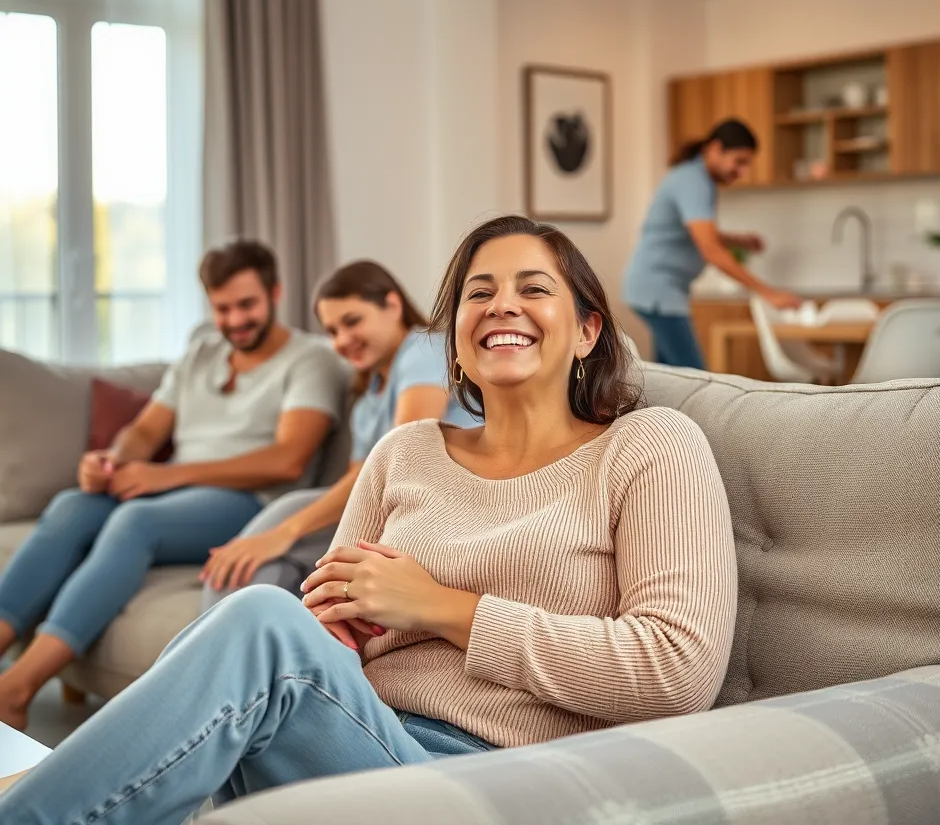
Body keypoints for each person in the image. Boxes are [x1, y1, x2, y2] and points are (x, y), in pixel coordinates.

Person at [0, 215, 738, 825]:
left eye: (533, 289)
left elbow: (676, 669)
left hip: (504, 778)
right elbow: (329, 629)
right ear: (454, 342)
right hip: (354, 738)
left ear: (586, 331)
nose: (501, 305)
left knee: (260, 620)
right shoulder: (405, 453)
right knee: (261, 626)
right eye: (478, 293)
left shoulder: (649, 446)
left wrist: (443, 609)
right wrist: (344, 629)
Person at [0, 240, 347, 731]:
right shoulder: (202, 352)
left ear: (275, 292)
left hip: (249, 501)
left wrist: (168, 475)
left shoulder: (311, 360)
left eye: (247, 305)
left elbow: (288, 459)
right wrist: (112, 461)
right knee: (73, 505)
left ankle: (16, 688)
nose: (235, 320)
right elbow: (146, 431)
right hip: (177, 491)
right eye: (222, 308)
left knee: (136, 521)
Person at [200, 260, 479, 604]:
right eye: (332, 331)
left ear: (392, 305)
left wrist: (285, 533)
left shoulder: (425, 349)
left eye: (352, 321)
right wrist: (276, 535)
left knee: (274, 544)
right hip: (386, 507)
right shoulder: (365, 402)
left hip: (436, 503)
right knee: (252, 566)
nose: (343, 340)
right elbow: (359, 488)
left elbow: (402, 457)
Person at [624, 118, 801, 367]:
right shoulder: (693, 182)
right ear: (716, 149)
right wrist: (769, 293)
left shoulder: (694, 177)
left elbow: (695, 233)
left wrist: (738, 240)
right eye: (738, 162)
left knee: (670, 377)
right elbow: (710, 249)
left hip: (657, 289)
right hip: (659, 291)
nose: (741, 172)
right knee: (695, 376)